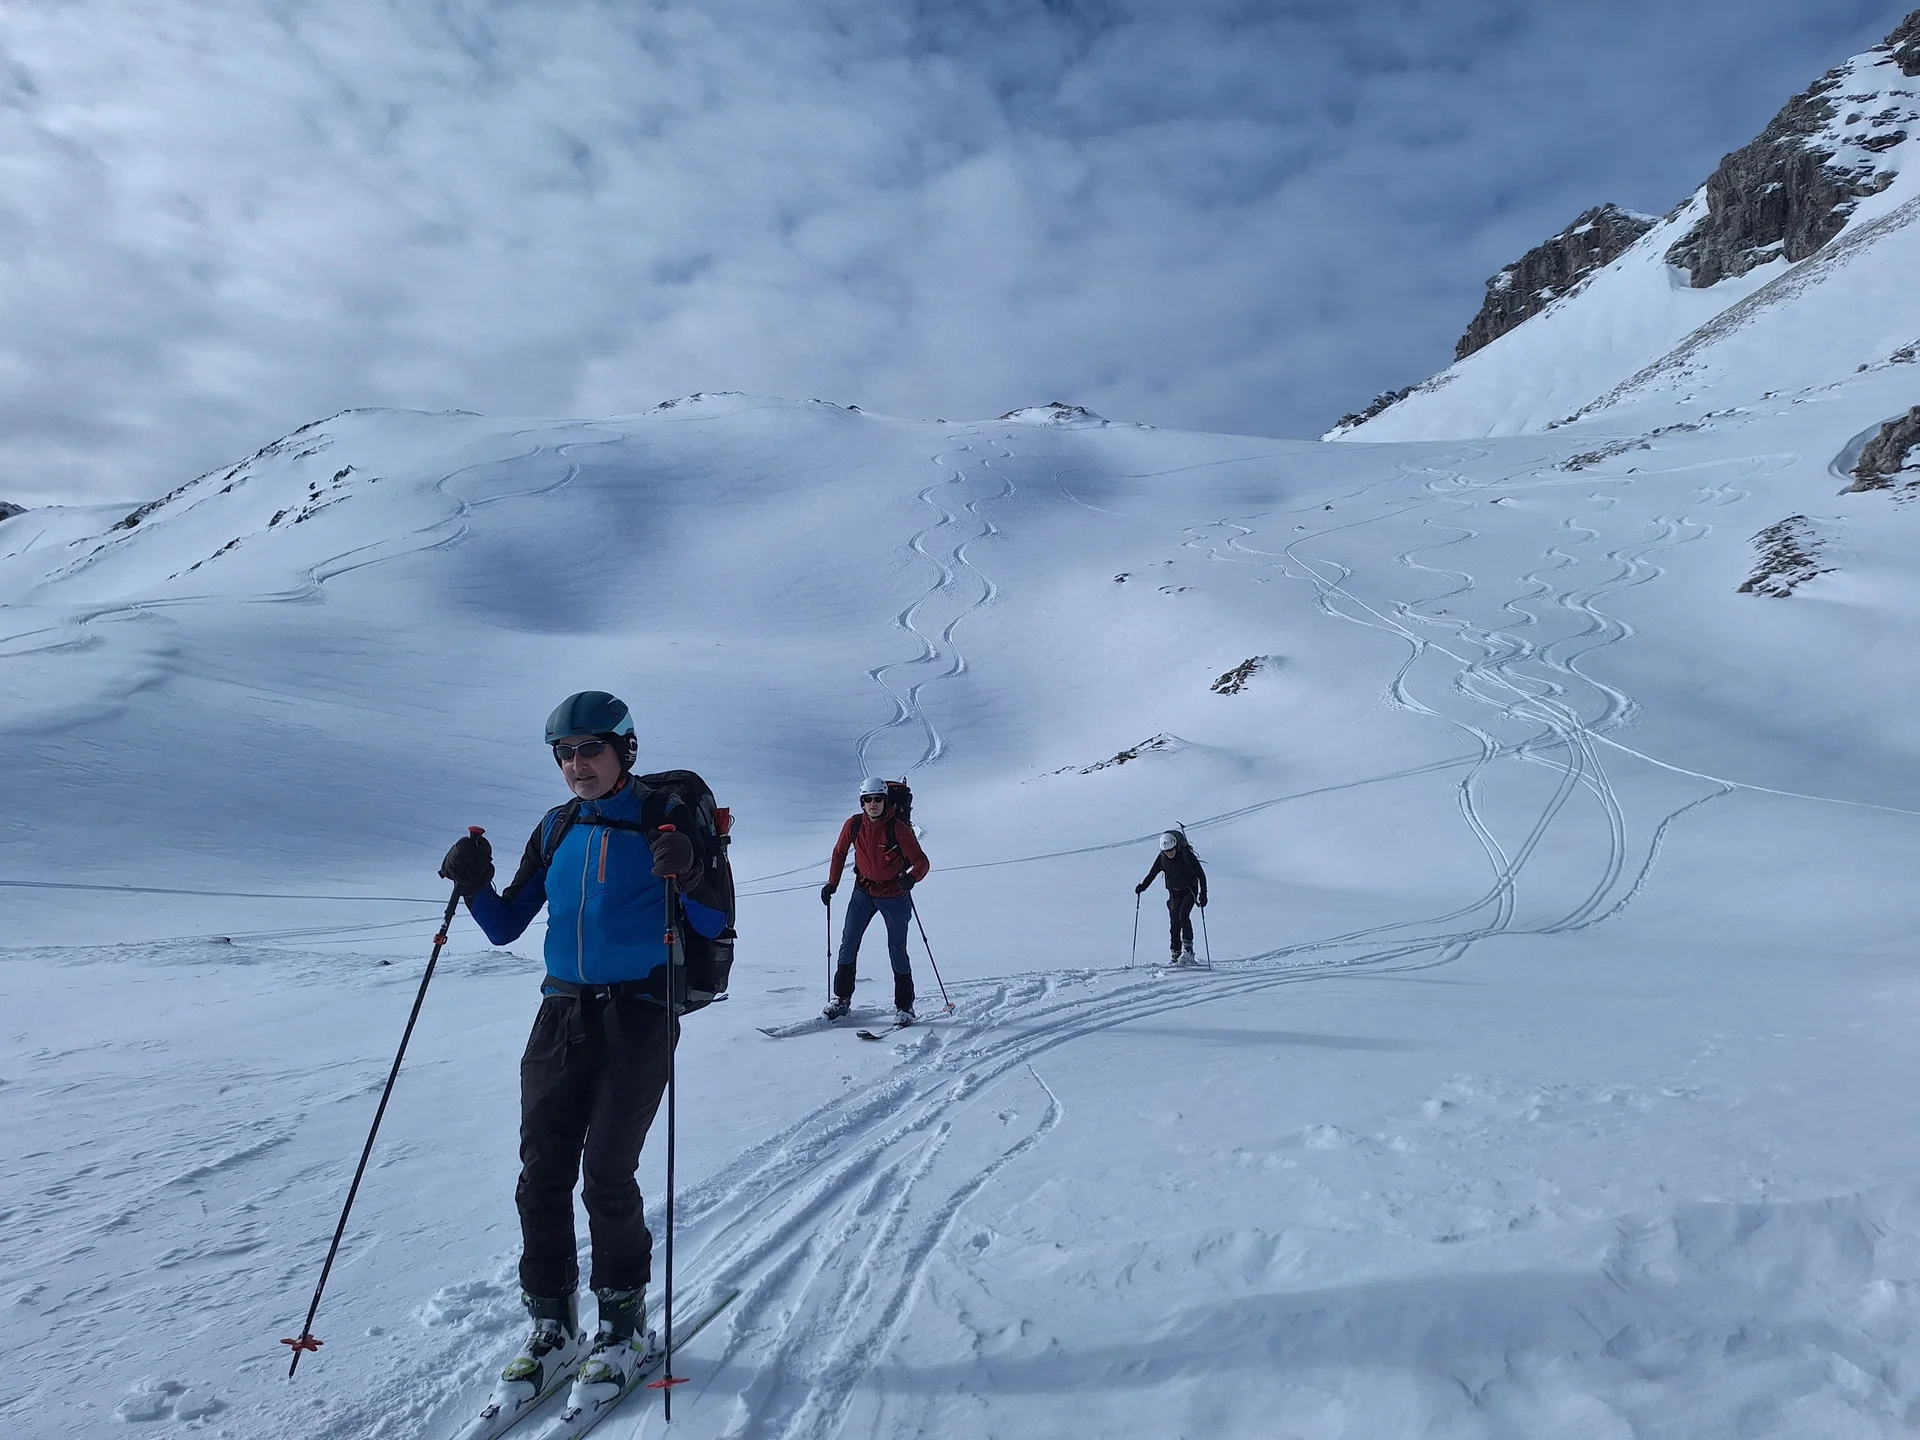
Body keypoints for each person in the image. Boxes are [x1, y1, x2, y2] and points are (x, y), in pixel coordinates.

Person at [436, 690, 730, 1413]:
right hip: (560, 1014)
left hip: (639, 1013)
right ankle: (553, 1328)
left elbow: (713, 919)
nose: (576, 764)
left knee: (606, 1173)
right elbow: (506, 925)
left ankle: (624, 1329)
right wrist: (474, 884)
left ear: (623, 750)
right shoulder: (557, 826)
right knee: (541, 1175)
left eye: (589, 749)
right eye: (564, 753)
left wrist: (691, 871)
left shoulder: (662, 819)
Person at [819, 777, 931, 1024]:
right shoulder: (854, 824)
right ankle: (841, 1000)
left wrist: (911, 879)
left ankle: (905, 1008)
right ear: (862, 802)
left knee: (897, 950)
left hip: (894, 896)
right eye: (868, 799)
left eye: (878, 799)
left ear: (885, 801)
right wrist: (832, 884)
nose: (873, 804)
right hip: (863, 893)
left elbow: (921, 862)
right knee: (848, 943)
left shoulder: (897, 828)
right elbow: (839, 853)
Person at [1136, 829, 1207, 964]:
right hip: (1174, 892)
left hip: (1190, 890)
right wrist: (1142, 887)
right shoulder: (1162, 858)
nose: (1169, 853)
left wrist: (1203, 895)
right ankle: (1175, 953)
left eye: (1171, 850)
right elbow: (1152, 874)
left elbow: (1201, 875)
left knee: (1183, 916)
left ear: (1175, 846)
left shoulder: (1186, 855)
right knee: (1174, 922)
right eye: (1166, 851)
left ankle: (1188, 951)